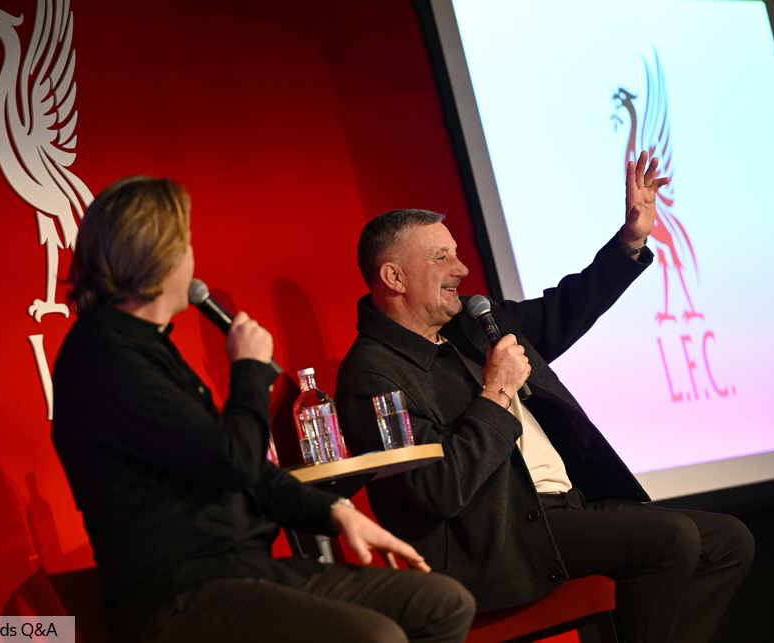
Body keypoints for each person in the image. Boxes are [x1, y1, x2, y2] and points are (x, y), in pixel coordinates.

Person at [334, 152, 754, 643]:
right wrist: (496, 391)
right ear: (394, 277)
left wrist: (630, 241)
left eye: (456, 254)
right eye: (441, 257)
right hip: (500, 537)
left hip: (567, 506)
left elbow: (563, 309)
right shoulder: (372, 374)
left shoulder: (471, 324)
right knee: (670, 540)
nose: (461, 268)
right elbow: (438, 489)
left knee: (728, 541)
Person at [51, 176, 475, 643]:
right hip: (178, 595)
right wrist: (249, 371)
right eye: (183, 244)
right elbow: (234, 460)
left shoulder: (150, 350)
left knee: (443, 603)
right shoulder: (103, 359)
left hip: (245, 572)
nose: (191, 259)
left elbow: (249, 471)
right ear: (153, 256)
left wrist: (338, 512)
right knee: (374, 636)